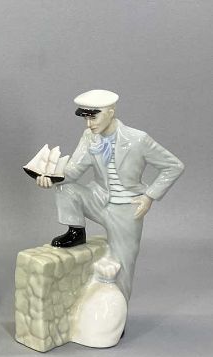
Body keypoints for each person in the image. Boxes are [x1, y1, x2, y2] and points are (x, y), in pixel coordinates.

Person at [36, 89, 184, 300]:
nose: (89, 124)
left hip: (127, 208)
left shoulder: (138, 139)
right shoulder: (90, 137)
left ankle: (117, 311)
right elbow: (74, 170)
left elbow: (173, 166)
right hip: (99, 198)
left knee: (122, 265)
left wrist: (149, 196)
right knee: (65, 188)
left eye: (93, 117)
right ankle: (76, 232)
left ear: (110, 112)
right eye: (85, 118)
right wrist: (51, 178)